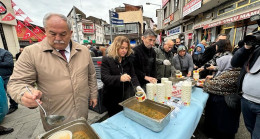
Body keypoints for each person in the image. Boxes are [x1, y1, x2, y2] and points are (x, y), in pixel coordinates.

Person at [7, 13, 98, 131]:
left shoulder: (83, 50)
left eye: (63, 34)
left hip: (81, 111)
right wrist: (24, 94)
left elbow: (91, 75)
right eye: (53, 33)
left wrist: (94, 95)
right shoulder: (31, 53)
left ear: (70, 33)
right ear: (45, 31)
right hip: (55, 116)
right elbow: (16, 83)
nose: (58, 38)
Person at [101, 36, 143, 116]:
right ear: (116, 47)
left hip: (126, 96)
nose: (124, 50)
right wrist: (120, 78)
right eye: (122, 48)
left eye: (126, 48)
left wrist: (137, 86)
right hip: (111, 97)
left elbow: (133, 75)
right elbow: (105, 78)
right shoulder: (107, 59)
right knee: (114, 117)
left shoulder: (128, 59)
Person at [231, 32, 260, 139]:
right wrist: (247, 47)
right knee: (251, 130)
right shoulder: (256, 48)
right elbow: (234, 62)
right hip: (246, 99)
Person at [0, 48, 18, 115]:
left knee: (9, 92)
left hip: (6, 76)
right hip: (0, 78)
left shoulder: (5, 53)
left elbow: (10, 63)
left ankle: (14, 105)